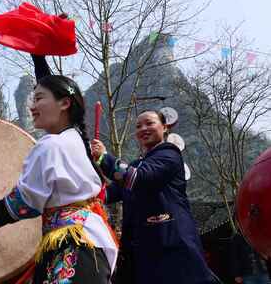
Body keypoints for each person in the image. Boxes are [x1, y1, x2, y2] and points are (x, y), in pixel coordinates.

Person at [0, 54, 118, 284]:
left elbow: (26, 201)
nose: (32, 106)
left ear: (65, 104)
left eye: (38, 99)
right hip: (91, 243)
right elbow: (56, 89)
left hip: (70, 248)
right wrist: (39, 57)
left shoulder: (51, 145)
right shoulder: (76, 139)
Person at [91, 110, 217, 283]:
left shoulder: (170, 155)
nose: (143, 128)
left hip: (171, 249)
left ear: (164, 127)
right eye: (138, 126)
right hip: (141, 252)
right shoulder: (137, 164)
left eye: (149, 123)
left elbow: (138, 178)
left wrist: (105, 158)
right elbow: (108, 193)